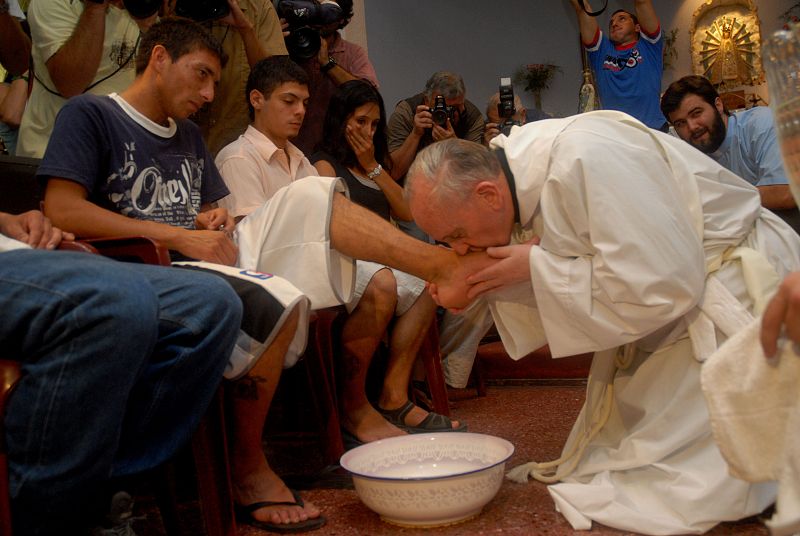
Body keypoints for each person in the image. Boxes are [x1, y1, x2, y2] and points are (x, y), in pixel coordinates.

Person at [39, 16, 483, 532]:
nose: (208, 94)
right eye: (201, 75)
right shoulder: (91, 114)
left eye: (214, 82)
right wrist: (178, 235)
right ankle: (249, 467)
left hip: (211, 252)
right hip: (142, 266)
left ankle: (435, 268)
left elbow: (211, 213)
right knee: (283, 277)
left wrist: (208, 219)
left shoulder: (186, 135)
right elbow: (62, 210)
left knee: (311, 195)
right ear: (158, 58)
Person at [403, 111, 800, 534]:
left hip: (731, 279)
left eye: (456, 235)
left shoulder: (587, 159)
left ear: (487, 195)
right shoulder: (514, 177)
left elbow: (666, 282)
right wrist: (489, 282)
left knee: (687, 480)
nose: (460, 249)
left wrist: (534, 269)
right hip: (673, 294)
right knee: (625, 452)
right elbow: (569, 267)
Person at [1, 209, 243, 535]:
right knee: (113, 301)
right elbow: (62, 206)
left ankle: (107, 488)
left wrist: (8, 220)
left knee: (212, 302)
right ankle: (50, 517)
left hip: (15, 251)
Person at [311, 79, 463, 441]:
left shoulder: (372, 166)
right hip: (349, 262)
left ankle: (395, 394)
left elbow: (407, 211)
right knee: (390, 280)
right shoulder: (324, 164)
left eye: (374, 124)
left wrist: (372, 165)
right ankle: (356, 405)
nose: (368, 130)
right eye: (360, 121)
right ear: (341, 120)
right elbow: (332, 223)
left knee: (433, 281)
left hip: (384, 261)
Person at [16, 0, 158, 158]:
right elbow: (70, 84)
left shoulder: (140, 9)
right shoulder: (52, 2)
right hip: (57, 154)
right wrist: (95, 8)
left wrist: (150, 23)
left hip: (122, 155)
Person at [164, 0, 289, 156]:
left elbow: (276, 82)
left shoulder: (258, 8)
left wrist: (245, 30)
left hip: (236, 141)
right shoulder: (175, 5)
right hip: (178, 135)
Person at [660, 75, 797, 216]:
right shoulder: (686, 153)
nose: (692, 127)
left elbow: (785, 193)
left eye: (696, 113)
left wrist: (715, 201)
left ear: (718, 105)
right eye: (680, 123)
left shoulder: (760, 124)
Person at [291, 0, 379, 154]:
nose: (319, 17)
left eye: (328, 11)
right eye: (315, 8)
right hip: (293, 148)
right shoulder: (290, 45)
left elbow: (368, 95)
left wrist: (328, 64)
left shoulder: (352, 53)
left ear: (341, 19)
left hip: (337, 152)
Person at [567, 0, 667, 130]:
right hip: (618, 134)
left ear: (637, 27)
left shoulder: (649, 45)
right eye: (611, 23)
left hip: (653, 130)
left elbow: (642, 2)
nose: (614, 24)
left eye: (622, 19)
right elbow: (582, 8)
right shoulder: (601, 51)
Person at [387, 70, 484, 181]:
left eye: (455, 108)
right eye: (442, 108)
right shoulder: (407, 112)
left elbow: (477, 173)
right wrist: (415, 134)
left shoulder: (472, 117)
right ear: (426, 100)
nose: (447, 115)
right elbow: (394, 173)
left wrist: (454, 144)